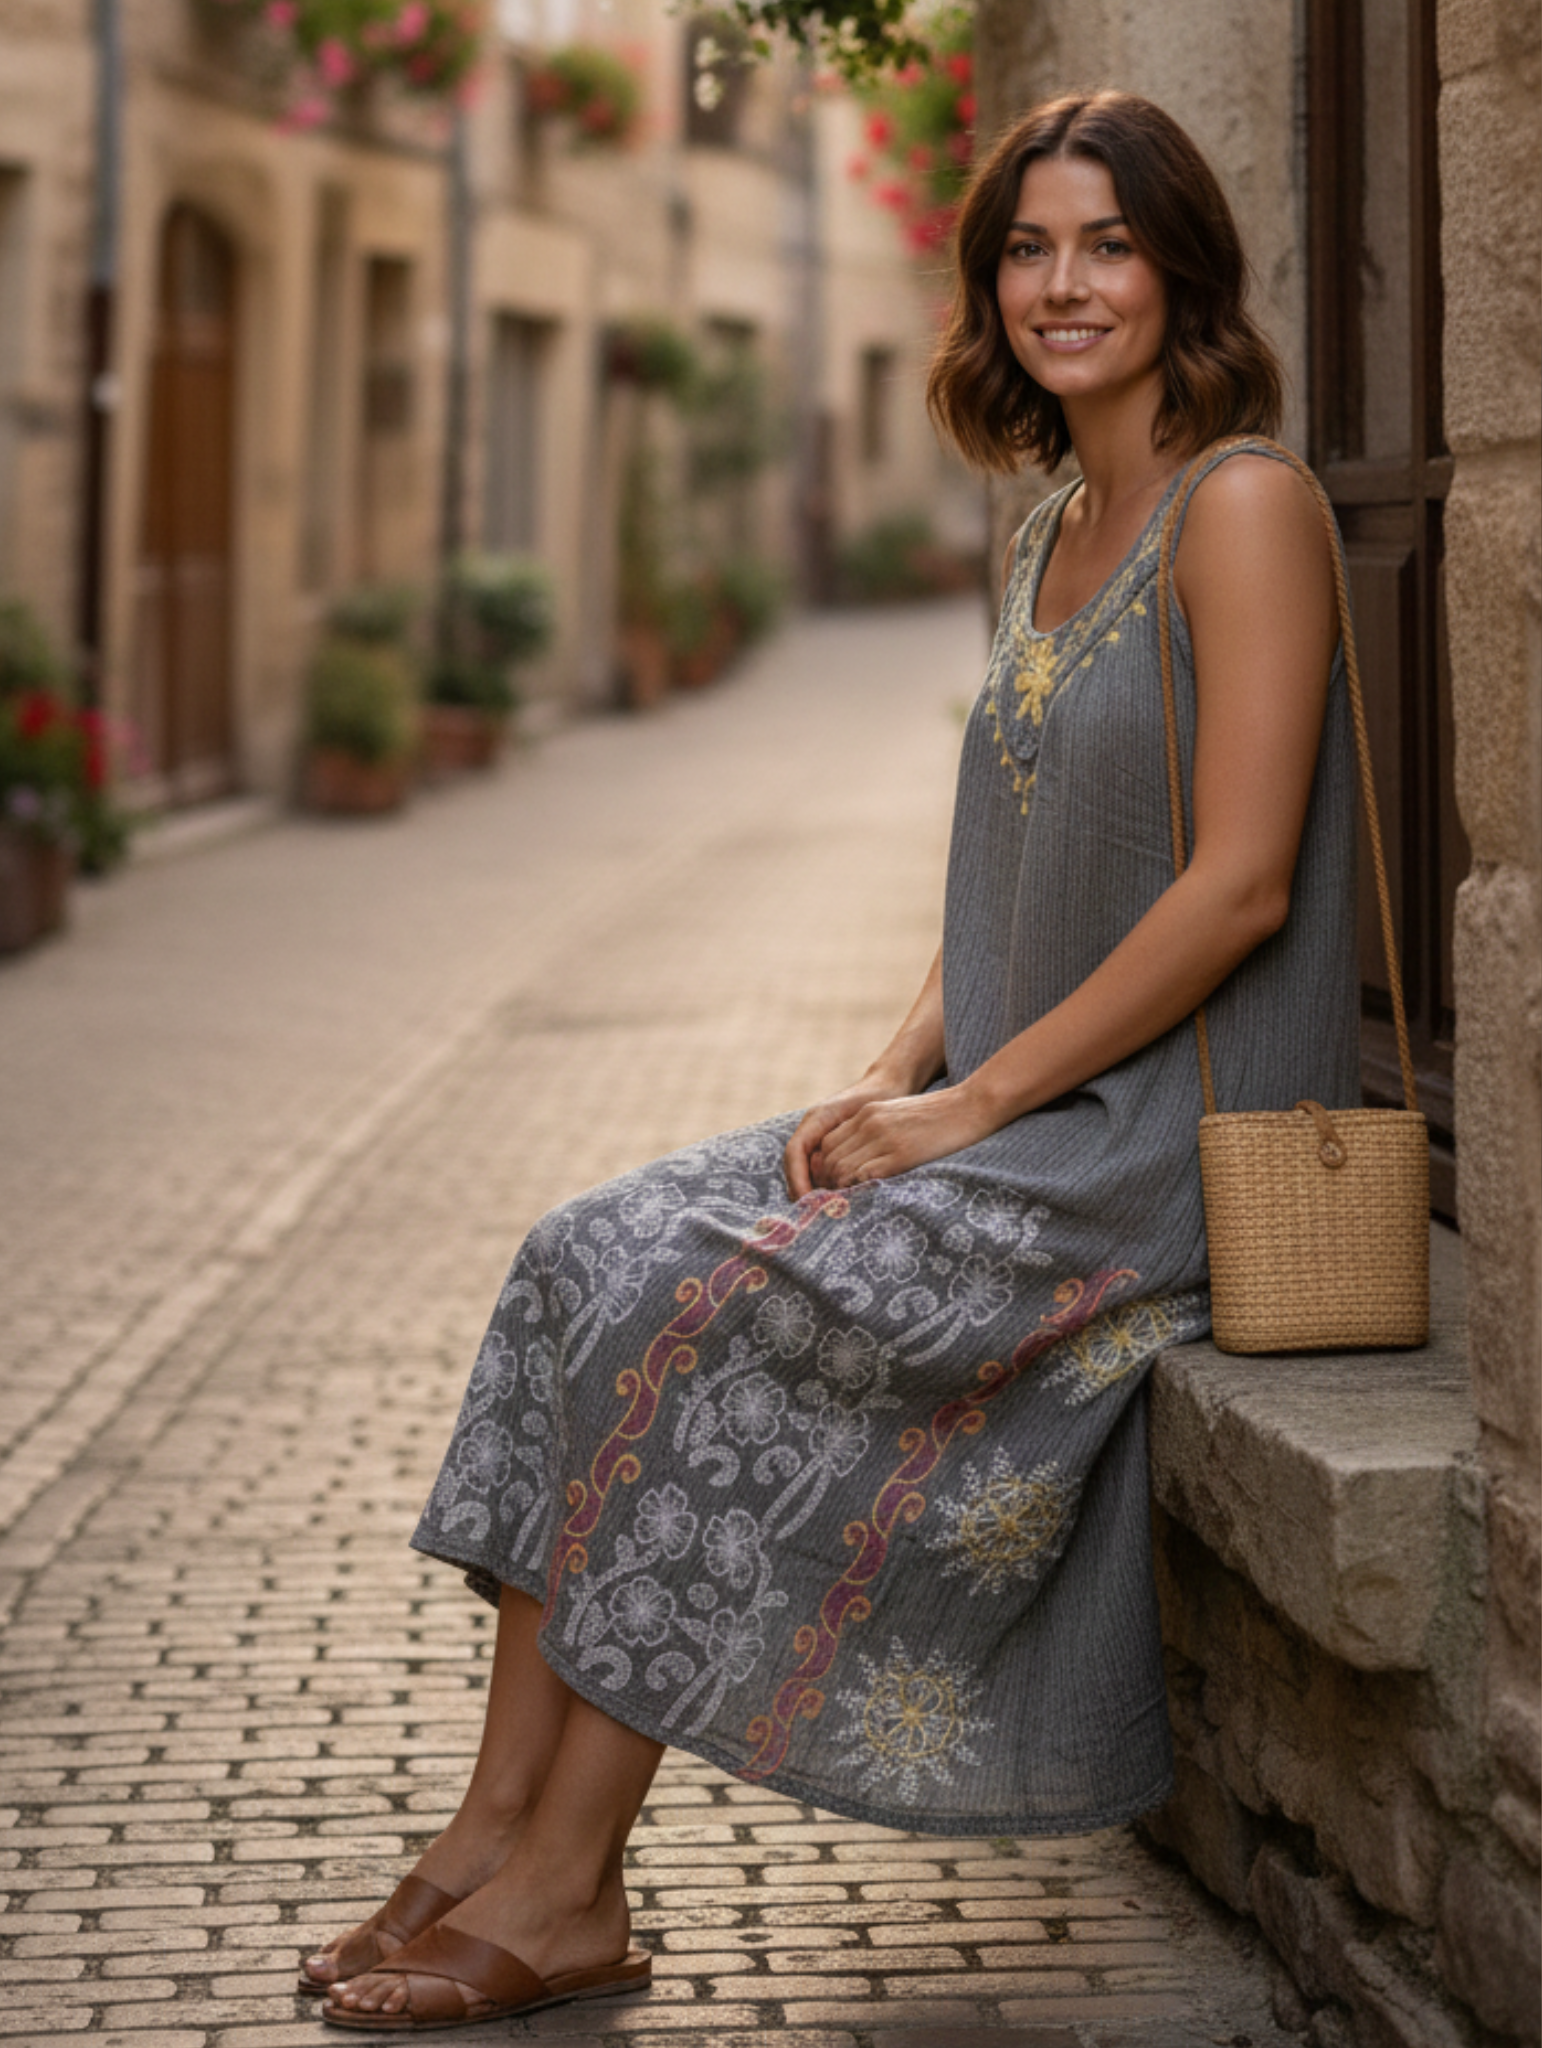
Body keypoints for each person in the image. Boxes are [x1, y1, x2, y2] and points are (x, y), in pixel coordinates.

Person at [308, 88, 1354, 2033]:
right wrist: (878, 1085)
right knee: (586, 1250)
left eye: (1106, 245)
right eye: (1027, 248)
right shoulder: (1053, 524)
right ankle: (487, 1832)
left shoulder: (1246, 506)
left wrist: (964, 1112)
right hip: (1022, 1113)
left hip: (1151, 1153)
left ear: (1186, 268)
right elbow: (1014, 884)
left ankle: (566, 1890)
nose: (1062, 283)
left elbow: (1234, 888)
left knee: (707, 1312)